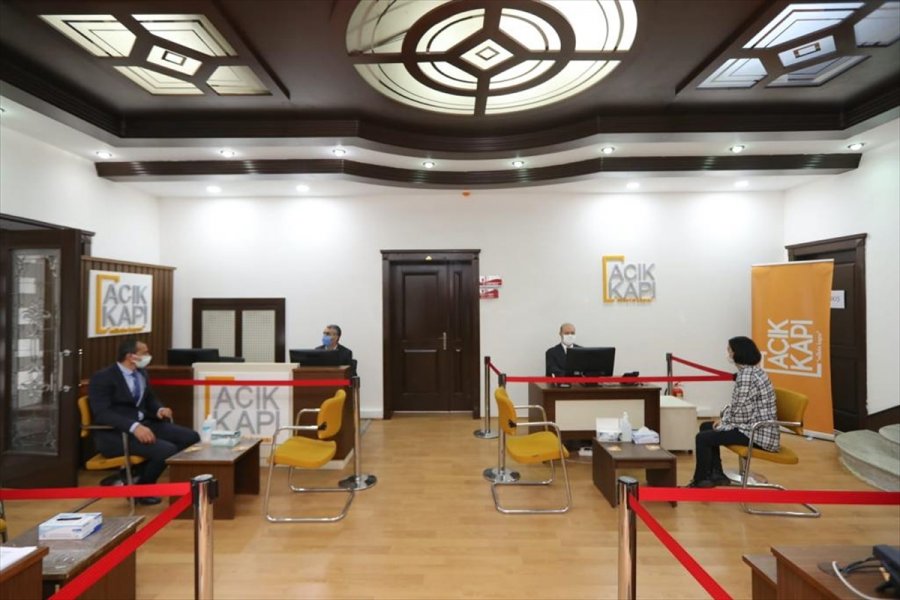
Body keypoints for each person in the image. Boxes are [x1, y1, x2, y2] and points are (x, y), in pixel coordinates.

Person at [88, 339, 200, 505]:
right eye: (144, 353)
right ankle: (142, 489)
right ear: (130, 356)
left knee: (191, 437)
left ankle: (135, 476)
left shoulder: (141, 373)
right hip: (117, 433)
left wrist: (159, 409)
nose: (149, 356)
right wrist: (134, 427)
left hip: (146, 424)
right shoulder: (103, 377)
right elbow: (102, 413)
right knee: (166, 450)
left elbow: (149, 399)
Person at [687, 336, 779, 488]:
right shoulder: (752, 371)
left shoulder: (747, 376)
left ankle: (700, 480)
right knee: (706, 427)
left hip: (757, 433)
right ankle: (716, 475)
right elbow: (739, 406)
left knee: (703, 438)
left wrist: (724, 422)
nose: (728, 354)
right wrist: (724, 419)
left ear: (738, 353)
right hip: (754, 427)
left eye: (730, 350)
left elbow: (742, 413)